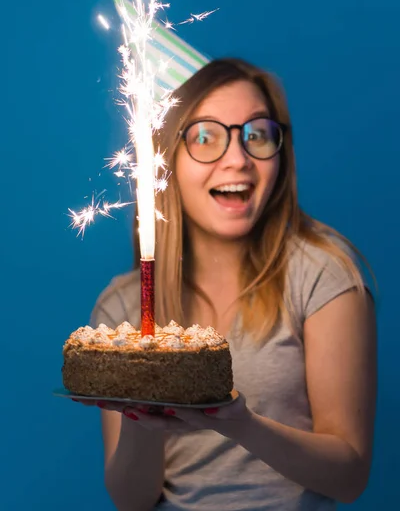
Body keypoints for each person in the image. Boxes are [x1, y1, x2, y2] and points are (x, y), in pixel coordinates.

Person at [77, 58, 377, 511]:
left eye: (256, 135)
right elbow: (132, 500)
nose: (238, 159)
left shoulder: (322, 275)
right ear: (165, 161)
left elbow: (349, 478)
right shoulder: (122, 309)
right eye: (205, 137)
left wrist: (238, 422)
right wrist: (138, 408)